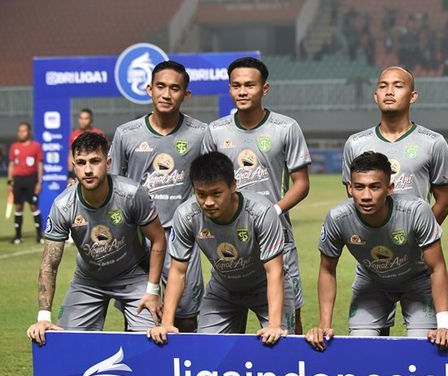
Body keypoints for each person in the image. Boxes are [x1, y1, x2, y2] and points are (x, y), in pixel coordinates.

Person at [202, 56, 310, 334]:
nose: (242, 91)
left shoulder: (286, 128)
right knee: (228, 319)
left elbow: (301, 183)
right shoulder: (215, 131)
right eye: (236, 85)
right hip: (229, 238)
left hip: (275, 234)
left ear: (265, 88)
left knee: (289, 324)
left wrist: (272, 212)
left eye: (249, 85)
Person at [26, 132, 165, 344]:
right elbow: (49, 264)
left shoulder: (131, 194)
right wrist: (43, 317)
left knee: (152, 341)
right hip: (88, 280)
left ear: (108, 163)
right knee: (65, 343)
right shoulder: (63, 205)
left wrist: (153, 291)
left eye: (95, 161)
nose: (88, 170)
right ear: (73, 165)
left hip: (134, 275)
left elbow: (158, 240)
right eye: (81, 163)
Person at [306, 151, 448, 350]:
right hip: (371, 282)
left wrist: (444, 326)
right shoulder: (338, 218)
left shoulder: (416, 211)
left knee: (422, 347)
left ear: (389, 188)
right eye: (359, 187)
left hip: (417, 281)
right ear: (350, 188)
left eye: (375, 187)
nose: (366, 196)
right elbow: (326, 270)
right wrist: (325, 325)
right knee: (362, 347)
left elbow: (437, 268)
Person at [147, 152, 290, 345]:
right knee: (207, 348)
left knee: (280, 346)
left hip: (265, 287)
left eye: (216, 193)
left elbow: (274, 271)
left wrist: (274, 325)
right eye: (201, 194)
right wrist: (166, 323)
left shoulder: (261, 212)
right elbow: (178, 271)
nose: (208, 202)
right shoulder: (186, 215)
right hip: (223, 290)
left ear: (233, 185)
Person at [109, 60, 207, 332]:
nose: (166, 94)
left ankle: (185, 372)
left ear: (185, 94)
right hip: (138, 236)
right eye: (160, 87)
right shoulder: (126, 134)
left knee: (186, 317)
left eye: (175, 88)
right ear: (149, 89)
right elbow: (114, 185)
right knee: (139, 314)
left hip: (182, 234)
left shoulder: (201, 134)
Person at [342, 66, 448, 224]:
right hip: (373, 243)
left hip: (415, 244)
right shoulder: (355, 143)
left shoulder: (434, 142)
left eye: (398, 86)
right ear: (376, 96)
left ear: (413, 96)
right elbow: (356, 197)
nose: (389, 91)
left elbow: (444, 202)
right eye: (383, 86)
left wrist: (421, 234)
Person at [7, 122, 43, 244]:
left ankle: (39, 236)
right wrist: (10, 181)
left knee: (34, 206)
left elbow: (39, 165)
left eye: (24, 131)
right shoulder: (14, 147)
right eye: (19, 131)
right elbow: (11, 165)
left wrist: (39, 182)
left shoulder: (36, 146)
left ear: (29, 132)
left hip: (31, 180)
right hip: (18, 180)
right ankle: (17, 236)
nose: (21, 133)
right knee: (18, 207)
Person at [68, 108, 105, 185]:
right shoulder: (74, 134)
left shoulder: (98, 134)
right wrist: (70, 174)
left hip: (94, 171)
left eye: (86, 118)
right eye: (81, 118)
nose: (83, 121)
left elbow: (103, 154)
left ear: (91, 119)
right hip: (79, 171)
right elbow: (71, 155)